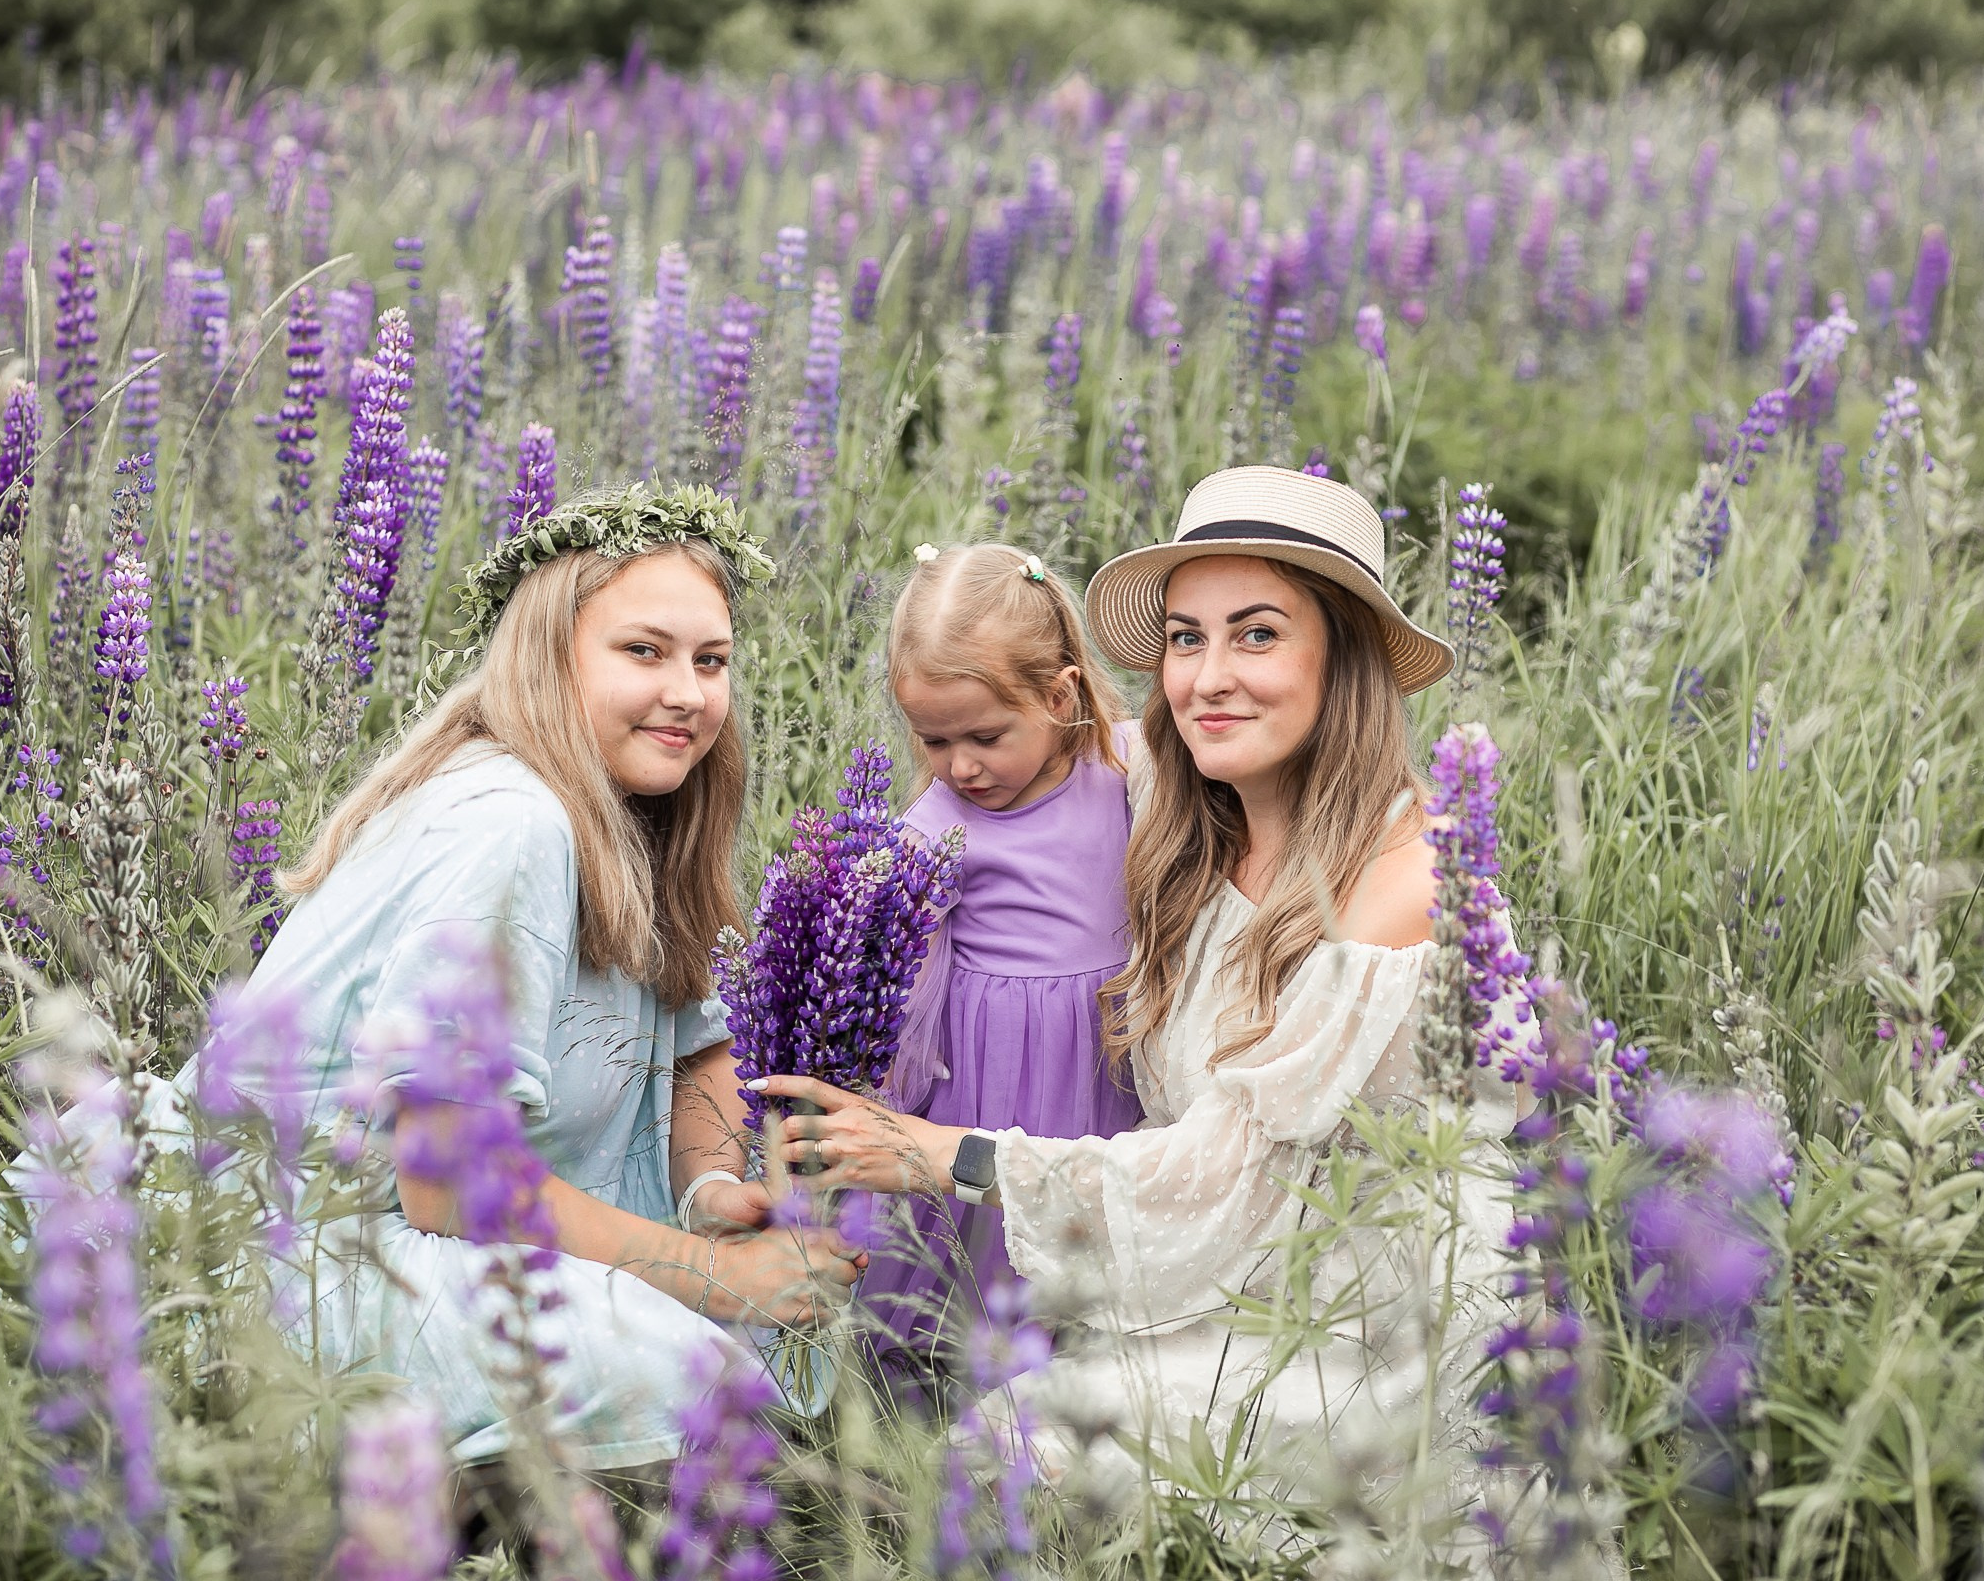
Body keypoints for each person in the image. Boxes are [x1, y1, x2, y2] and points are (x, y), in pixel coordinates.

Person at [757, 466, 1526, 1446]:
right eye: (1185, 638)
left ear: (1347, 659)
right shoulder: (1171, 800)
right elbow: (1029, 757)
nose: (1209, 678)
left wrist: (944, 1153)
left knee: (1006, 1453)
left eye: (1258, 633)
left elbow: (1244, 1183)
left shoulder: (1413, 881)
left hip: (1348, 1324)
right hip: (1183, 1263)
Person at [180, 485, 863, 1469]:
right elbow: (447, 1181)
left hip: (440, 1240)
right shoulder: (512, 823)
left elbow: (698, 1040)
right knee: (697, 1373)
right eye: (644, 651)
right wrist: (713, 1274)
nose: (688, 692)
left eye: (710, 660)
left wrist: (712, 1185)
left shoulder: (638, 809)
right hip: (304, 1249)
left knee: (777, 1343)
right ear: (550, 656)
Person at [855, 542, 1146, 1396]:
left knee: (1097, 1261)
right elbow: (900, 986)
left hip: (1104, 1064)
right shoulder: (932, 827)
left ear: (1059, 696)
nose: (961, 766)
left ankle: (1087, 1403)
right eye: (934, 740)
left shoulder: (1130, 769)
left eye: (985, 736)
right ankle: (957, 1417)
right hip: (992, 1083)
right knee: (982, 1274)